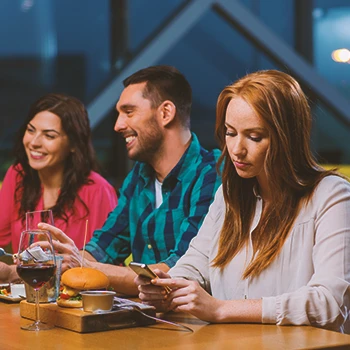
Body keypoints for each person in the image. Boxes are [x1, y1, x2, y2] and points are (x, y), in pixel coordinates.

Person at [136, 70, 350, 333]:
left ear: (287, 138)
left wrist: (221, 309)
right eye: (230, 132)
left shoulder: (331, 195)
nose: (236, 149)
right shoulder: (229, 194)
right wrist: (169, 287)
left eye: (255, 136)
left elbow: (329, 302)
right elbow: (196, 263)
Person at [41, 65, 222, 296]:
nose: (118, 125)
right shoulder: (138, 176)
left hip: (196, 323)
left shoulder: (212, 173)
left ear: (166, 113)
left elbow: (175, 272)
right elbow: (103, 247)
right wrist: (67, 260)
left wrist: (84, 266)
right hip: (148, 319)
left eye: (129, 111)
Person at [0, 93, 117, 282]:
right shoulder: (17, 174)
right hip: (26, 294)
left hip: (75, 299)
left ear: (73, 144)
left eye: (49, 135)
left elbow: (104, 266)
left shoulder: (98, 190)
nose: (34, 142)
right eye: (31, 130)